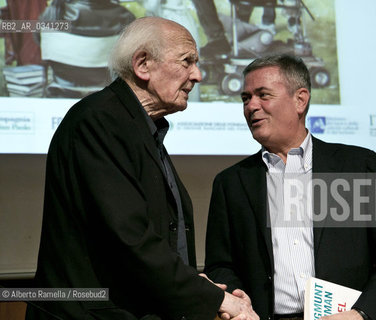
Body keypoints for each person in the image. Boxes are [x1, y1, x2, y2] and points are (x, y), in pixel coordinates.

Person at [26, 17, 258, 320]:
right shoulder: (100, 122)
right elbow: (130, 240)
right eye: (187, 62)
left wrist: (197, 287)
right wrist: (217, 300)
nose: (198, 75)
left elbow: (149, 240)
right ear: (143, 64)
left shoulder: (138, 127)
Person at [204, 54, 376, 320]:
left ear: (300, 100)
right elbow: (220, 265)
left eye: (263, 95)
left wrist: (362, 314)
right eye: (246, 98)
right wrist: (238, 300)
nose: (251, 106)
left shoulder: (357, 165)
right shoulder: (231, 183)